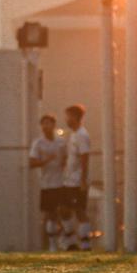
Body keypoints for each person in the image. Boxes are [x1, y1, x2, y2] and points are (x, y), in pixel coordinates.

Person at [29, 115, 67, 251]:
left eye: (48, 123)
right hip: (47, 184)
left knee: (63, 211)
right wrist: (46, 160)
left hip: (61, 182)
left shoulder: (61, 142)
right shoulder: (38, 143)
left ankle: (65, 238)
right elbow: (32, 163)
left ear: (54, 125)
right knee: (50, 213)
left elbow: (66, 158)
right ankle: (52, 244)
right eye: (43, 124)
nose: (46, 126)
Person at [60, 104, 92, 251]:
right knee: (64, 209)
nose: (66, 119)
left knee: (79, 211)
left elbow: (85, 157)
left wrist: (83, 180)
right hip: (68, 180)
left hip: (77, 180)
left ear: (75, 117)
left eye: (68, 116)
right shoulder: (73, 134)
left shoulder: (82, 135)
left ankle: (86, 244)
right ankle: (72, 243)